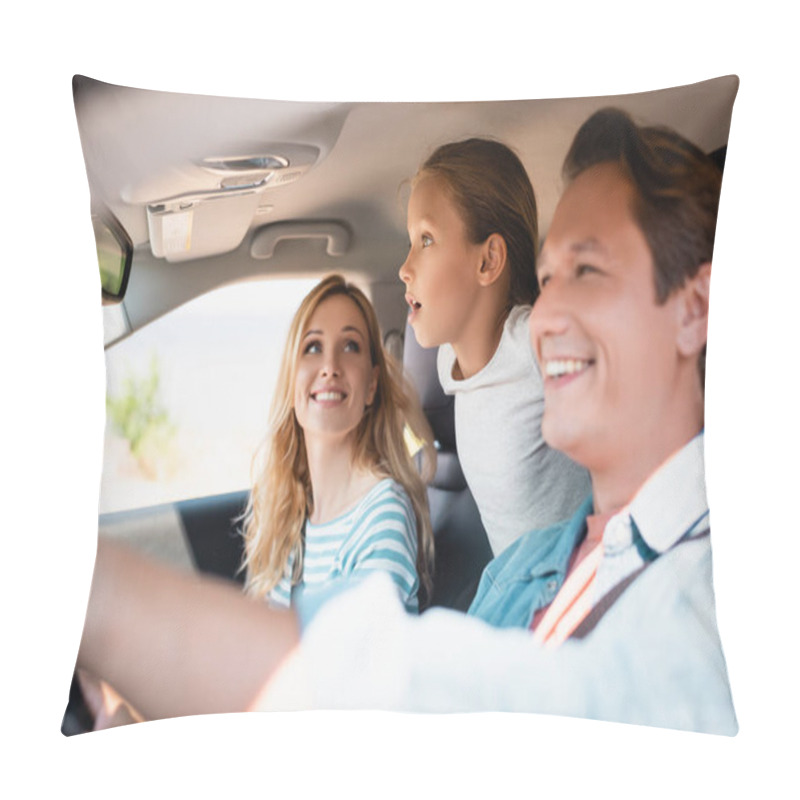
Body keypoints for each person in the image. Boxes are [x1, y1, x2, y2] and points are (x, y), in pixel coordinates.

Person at [74, 108, 736, 735]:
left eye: (587, 270)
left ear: (694, 308)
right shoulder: (542, 558)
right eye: (548, 276)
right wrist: (415, 438)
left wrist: (86, 594)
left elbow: (409, 692)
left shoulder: (707, 605)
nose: (551, 311)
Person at [399, 138, 590, 556]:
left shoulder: (535, 342)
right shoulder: (450, 362)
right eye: (411, 242)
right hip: (517, 596)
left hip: (576, 592)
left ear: (487, 261)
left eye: (426, 240)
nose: (404, 267)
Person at [242, 273, 435, 614]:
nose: (330, 367)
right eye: (312, 347)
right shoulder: (291, 513)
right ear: (291, 379)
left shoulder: (382, 513)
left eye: (350, 346)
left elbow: (355, 662)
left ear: (372, 384)